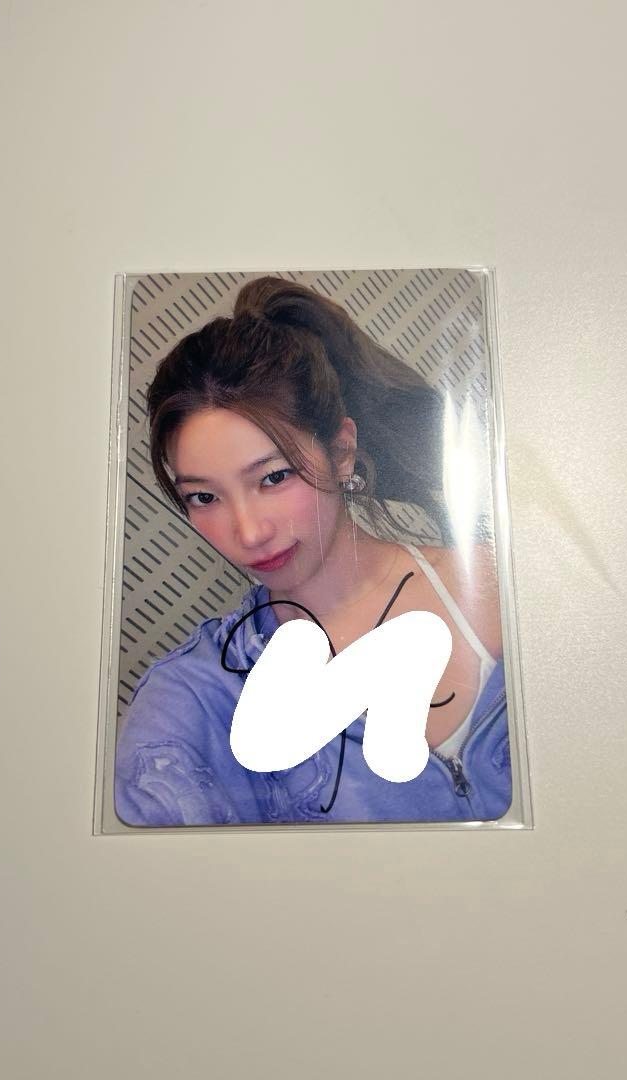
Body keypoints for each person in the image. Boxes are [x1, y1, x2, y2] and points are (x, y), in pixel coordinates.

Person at [114, 276, 513, 826]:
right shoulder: (194, 700)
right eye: (204, 497)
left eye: (273, 477)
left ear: (342, 452)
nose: (248, 532)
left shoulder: (503, 582)